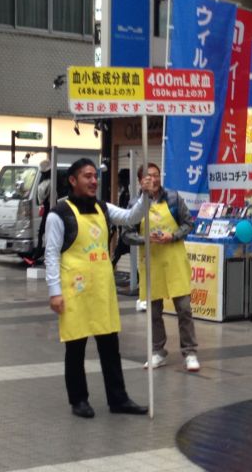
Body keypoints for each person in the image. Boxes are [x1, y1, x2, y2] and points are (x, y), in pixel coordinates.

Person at [45, 158, 153, 418]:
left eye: (95, 176)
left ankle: (118, 399)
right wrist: (54, 291)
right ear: (73, 180)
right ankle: (79, 400)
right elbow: (51, 254)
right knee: (75, 348)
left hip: (102, 290)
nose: (94, 181)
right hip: (75, 292)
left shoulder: (103, 208)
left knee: (110, 347)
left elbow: (131, 216)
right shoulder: (59, 214)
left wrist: (145, 195)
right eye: (87, 176)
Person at [122, 162, 199, 372]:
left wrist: (172, 236)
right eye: (148, 176)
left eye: (156, 175)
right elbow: (126, 235)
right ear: (140, 181)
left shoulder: (173, 198)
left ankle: (190, 352)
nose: (153, 179)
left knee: (184, 309)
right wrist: (145, 239)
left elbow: (188, 223)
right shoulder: (135, 204)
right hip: (151, 263)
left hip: (174, 261)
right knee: (154, 312)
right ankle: (157, 351)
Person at [111, 169, 131, 268]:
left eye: (120, 179)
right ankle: (137, 274)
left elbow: (124, 211)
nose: (118, 182)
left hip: (126, 230)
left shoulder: (127, 195)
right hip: (123, 230)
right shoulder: (125, 193)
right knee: (123, 253)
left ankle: (109, 270)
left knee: (117, 254)